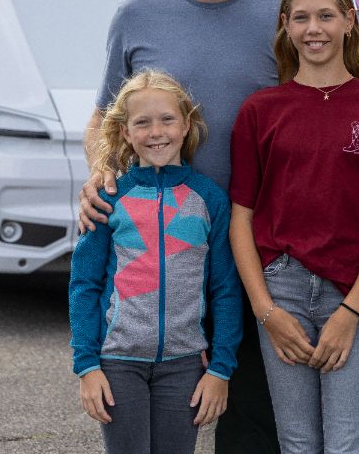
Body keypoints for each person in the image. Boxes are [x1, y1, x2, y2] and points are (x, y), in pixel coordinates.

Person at [78, 0, 281, 453]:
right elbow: (103, 118)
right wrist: (99, 172)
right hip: (159, 258)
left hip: (254, 249)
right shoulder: (137, 15)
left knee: (250, 416)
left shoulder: (281, 13)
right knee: (158, 416)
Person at [228, 0, 359, 454]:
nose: (314, 29)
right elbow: (240, 219)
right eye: (301, 18)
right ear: (286, 25)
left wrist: (352, 311)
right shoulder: (261, 110)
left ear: (349, 21)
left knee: (349, 442)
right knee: (298, 442)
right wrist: (266, 312)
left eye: (326, 16)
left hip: (352, 292)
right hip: (280, 290)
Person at [69, 70, 243, 454]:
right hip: (117, 362)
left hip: (184, 365)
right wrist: (86, 365)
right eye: (142, 122)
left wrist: (219, 369)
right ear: (125, 133)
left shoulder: (209, 199)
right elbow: (84, 284)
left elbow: (225, 290)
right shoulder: (108, 199)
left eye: (167, 119)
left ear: (186, 125)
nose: (156, 131)